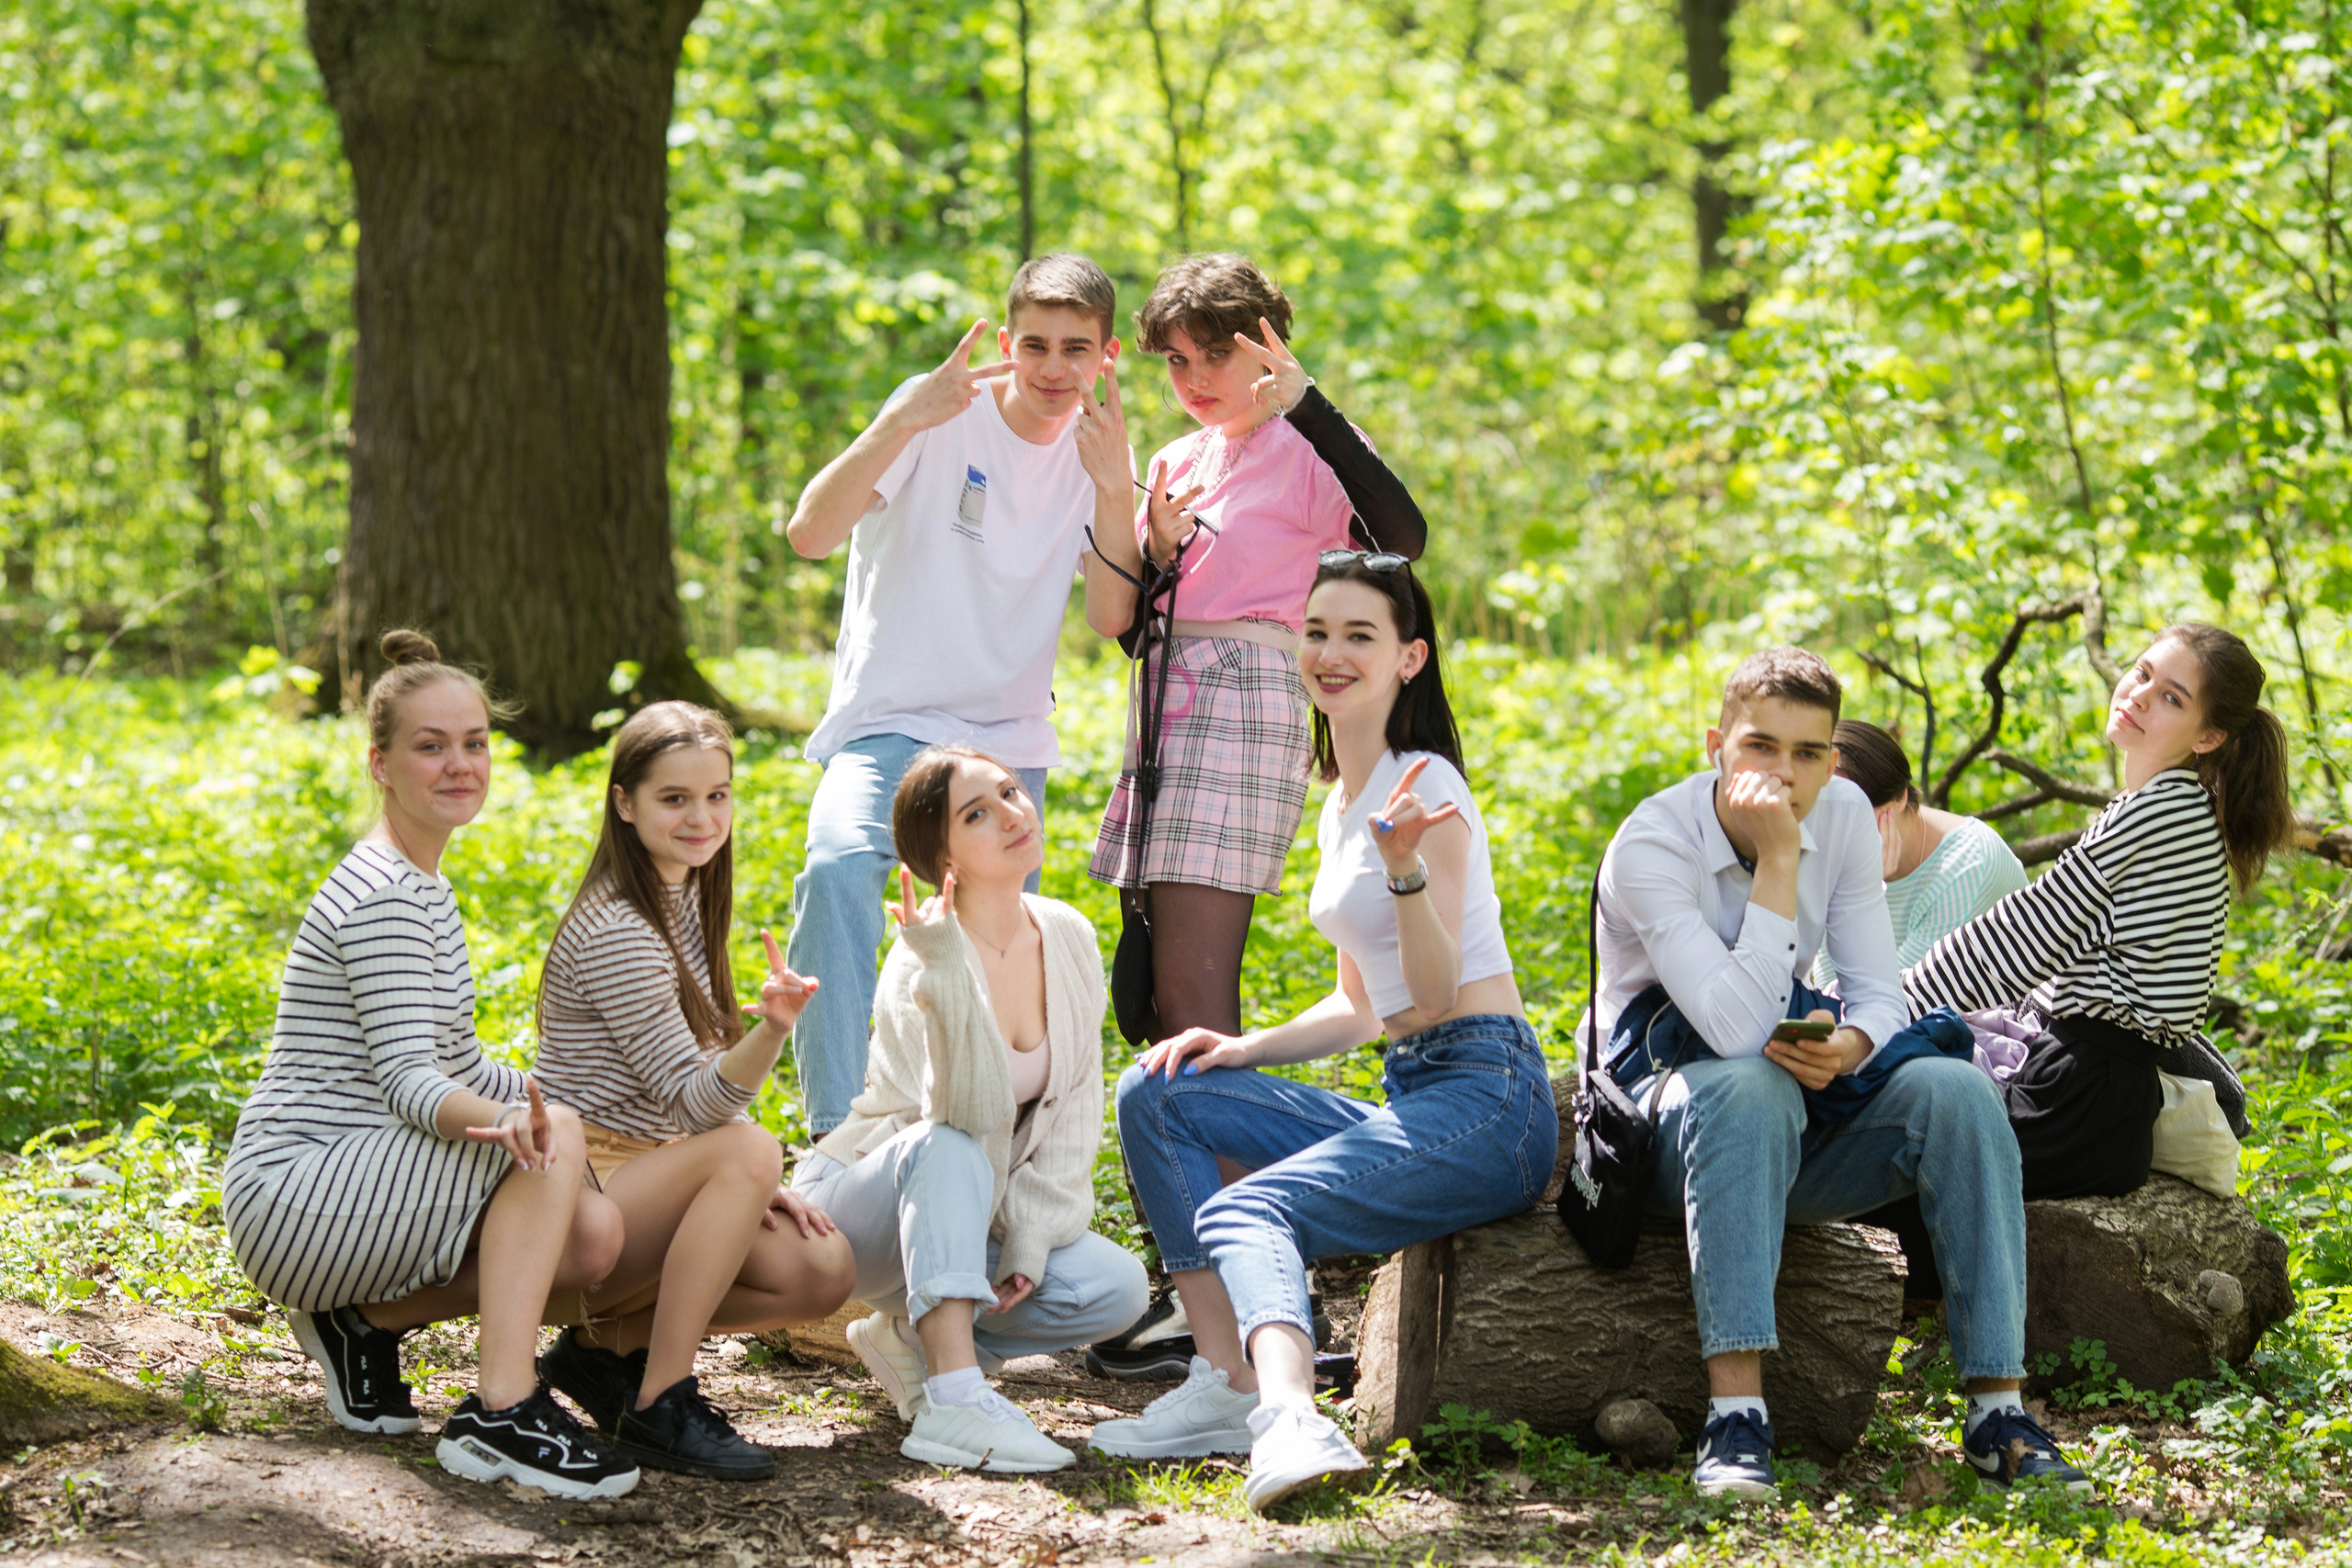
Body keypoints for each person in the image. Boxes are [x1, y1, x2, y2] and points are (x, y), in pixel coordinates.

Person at [1094, 556, 1555, 1513]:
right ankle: (1223, 1382)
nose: (1330, 654)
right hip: (1417, 1093)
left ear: (1409, 659)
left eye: (1359, 636)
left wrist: (1404, 872)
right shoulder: (1346, 800)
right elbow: (1362, 1007)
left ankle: (1293, 1419)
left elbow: (1428, 999)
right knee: (1158, 1090)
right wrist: (1238, 1047)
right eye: (1316, 631)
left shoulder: (1425, 790)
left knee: (1246, 1211)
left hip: (1489, 1102)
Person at [1587, 647, 2085, 1497]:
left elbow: (1879, 994)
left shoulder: (1848, 812)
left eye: (1809, 753)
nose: (1785, 775)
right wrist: (1781, 860)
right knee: (1749, 1086)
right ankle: (1736, 1418)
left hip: (1795, 1113)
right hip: (1668, 1134)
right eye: (1760, 747)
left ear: (1834, 757)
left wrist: (1851, 1047)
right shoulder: (1652, 844)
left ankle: (1997, 1411)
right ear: (1716, 744)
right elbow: (1735, 1032)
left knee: (1958, 1090)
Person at [223, 630, 639, 1500]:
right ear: (380, 763)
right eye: (431, 745)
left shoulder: (423, 883)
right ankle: (503, 1410)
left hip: (346, 1182)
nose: (460, 764)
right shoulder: (385, 897)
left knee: (592, 1236)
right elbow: (417, 1083)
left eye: (475, 742)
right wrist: (514, 1126)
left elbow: (455, 1057)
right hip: (296, 1189)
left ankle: (360, 1325)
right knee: (553, 1147)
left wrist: (551, 1110)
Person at [782, 254, 1126, 1138]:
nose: (1054, 368)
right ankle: (837, 1131)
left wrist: (1118, 486)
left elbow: (1109, 615)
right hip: (889, 721)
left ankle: (978, 1148)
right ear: (1005, 344)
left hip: (1006, 744)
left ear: (1106, 357)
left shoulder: (1101, 459)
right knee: (835, 870)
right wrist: (900, 419)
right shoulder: (937, 413)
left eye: (1075, 349)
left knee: (997, 947)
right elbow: (810, 533)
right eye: (1037, 345)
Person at [1075, 252, 1429, 1040]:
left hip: (1244, 700)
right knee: (1156, 989)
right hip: (1166, 704)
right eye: (1176, 359)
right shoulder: (1175, 459)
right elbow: (1133, 628)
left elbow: (1401, 541)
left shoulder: (1304, 445)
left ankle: (1231, 1162)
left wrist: (1312, 409)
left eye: (1217, 353)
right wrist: (1157, 551)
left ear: (1265, 346)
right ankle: (1182, 1157)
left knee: (1192, 985)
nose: (1195, 377)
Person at [789, 746, 1148, 1473]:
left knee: (1116, 1288)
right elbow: (963, 1114)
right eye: (977, 813)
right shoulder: (921, 959)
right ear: (940, 855)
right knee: (948, 1143)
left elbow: (1074, 1108)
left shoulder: (1068, 933)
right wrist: (948, 966)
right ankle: (954, 1398)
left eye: (1011, 792)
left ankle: (909, 1340)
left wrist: (1033, 1236)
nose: (1013, 814)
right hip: (862, 1209)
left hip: (964, 1219)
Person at [528, 702, 859, 1480]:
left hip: (650, 1174)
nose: (701, 816)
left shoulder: (681, 897)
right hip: (581, 1196)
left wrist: (744, 1182)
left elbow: (694, 1099)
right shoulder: (619, 927)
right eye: (674, 798)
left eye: (717, 795)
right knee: (747, 1149)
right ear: (625, 802)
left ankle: (604, 1352)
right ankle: (658, 1398)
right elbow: (694, 1104)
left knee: (820, 1269)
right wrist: (772, 1034)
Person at [1905, 624, 2295, 1201]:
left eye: (2171, 697)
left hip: (2077, 1100)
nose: (2137, 694)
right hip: (2097, 1096)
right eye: (2142, 673)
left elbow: (2028, 933)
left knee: (1879, 1172)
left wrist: (1890, 1003)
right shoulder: (2177, 808)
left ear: (2208, 735)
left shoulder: (2163, 815)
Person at [1819, 718, 2029, 1303]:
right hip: (1890, 1047)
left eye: (1862, 823)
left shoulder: (1967, 862)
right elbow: (1825, 975)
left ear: (1904, 801)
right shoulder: (1842, 863)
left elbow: (1909, 998)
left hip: (1975, 1054)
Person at [1815, 719, 2028, 977]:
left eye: (1851, 812)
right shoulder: (1829, 851)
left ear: (1900, 797)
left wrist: (1863, 890)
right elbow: (1827, 990)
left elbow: (1901, 997)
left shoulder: (1966, 863)